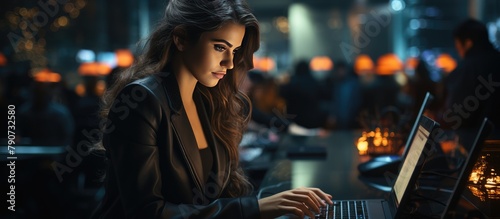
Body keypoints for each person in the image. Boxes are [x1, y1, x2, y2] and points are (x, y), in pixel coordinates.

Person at [90, 0, 332, 218]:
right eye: (219, 47)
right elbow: (148, 212)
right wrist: (256, 208)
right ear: (181, 38)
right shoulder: (141, 99)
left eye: (234, 51)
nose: (229, 63)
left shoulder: (209, 101)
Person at [442, 19, 500, 130]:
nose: (457, 50)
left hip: (474, 140)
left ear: (468, 43)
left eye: (457, 45)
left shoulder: (467, 69)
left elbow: (455, 113)